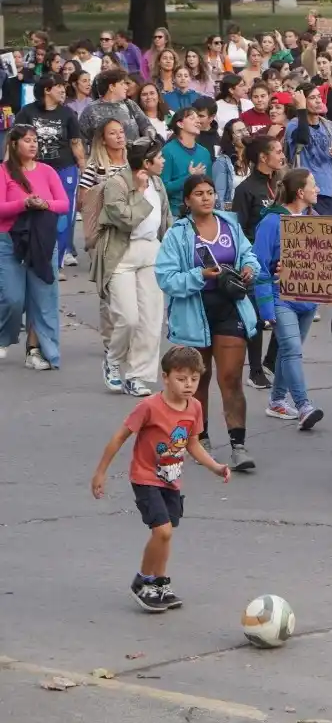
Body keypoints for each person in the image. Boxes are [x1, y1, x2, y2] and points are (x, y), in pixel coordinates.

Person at [90, 345, 231, 612]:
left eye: (194, 379)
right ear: (165, 377)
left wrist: (215, 467)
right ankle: (143, 582)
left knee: (166, 535)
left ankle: (160, 583)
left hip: (172, 480)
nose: (188, 385)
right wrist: (100, 472)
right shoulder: (149, 407)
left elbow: (193, 444)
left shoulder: (195, 407)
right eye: (181, 378)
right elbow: (120, 437)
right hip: (145, 477)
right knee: (162, 530)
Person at [155, 174, 260, 473]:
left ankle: (238, 445)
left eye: (210, 193)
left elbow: (248, 253)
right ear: (187, 200)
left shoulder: (229, 224)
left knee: (230, 378)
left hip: (230, 309)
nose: (206, 198)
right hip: (193, 314)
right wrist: (199, 276)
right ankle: (199, 438)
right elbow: (165, 278)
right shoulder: (177, 235)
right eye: (199, 193)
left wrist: (250, 268)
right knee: (196, 380)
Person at [93, 138, 170, 397]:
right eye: (159, 158)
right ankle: (113, 360)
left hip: (152, 251)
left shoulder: (158, 183)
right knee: (128, 318)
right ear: (146, 163)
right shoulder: (117, 183)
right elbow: (125, 219)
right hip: (120, 253)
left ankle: (137, 376)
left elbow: (166, 218)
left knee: (150, 320)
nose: (163, 161)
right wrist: (138, 191)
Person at [252, 168, 325, 430]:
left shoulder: (314, 218)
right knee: (292, 349)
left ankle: (277, 400)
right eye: (313, 185)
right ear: (300, 192)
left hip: (308, 297)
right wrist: (265, 306)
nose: (317, 190)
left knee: (287, 350)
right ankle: (304, 405)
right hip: (280, 295)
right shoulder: (272, 222)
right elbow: (259, 263)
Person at [0, 124, 67, 369]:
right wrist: (24, 203)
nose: (33, 144)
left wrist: (44, 204)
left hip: (42, 240)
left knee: (43, 299)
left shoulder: (47, 171)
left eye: (35, 140)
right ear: (14, 144)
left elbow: (63, 204)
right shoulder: (4, 171)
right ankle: (4, 337)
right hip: (10, 241)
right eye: (27, 140)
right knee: (12, 298)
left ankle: (37, 350)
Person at [16, 74, 85, 267]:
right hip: (34, 170)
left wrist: (84, 168)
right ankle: (34, 256)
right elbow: (15, 142)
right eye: (59, 86)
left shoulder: (68, 113)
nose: (63, 90)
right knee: (36, 213)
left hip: (65, 169)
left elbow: (76, 143)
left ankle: (58, 262)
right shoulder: (27, 112)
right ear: (47, 90)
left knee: (63, 216)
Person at [286, 85, 332, 215]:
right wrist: (301, 109)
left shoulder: (330, 126)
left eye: (319, 97)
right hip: (304, 194)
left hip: (327, 193)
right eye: (312, 98)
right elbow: (303, 138)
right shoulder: (293, 125)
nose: (318, 101)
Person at [159, 107, 214, 216]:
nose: (198, 121)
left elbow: (210, 185)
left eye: (198, 118)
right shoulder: (168, 151)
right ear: (180, 124)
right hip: (176, 214)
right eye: (192, 118)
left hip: (201, 213)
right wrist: (189, 177)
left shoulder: (204, 152)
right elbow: (162, 188)